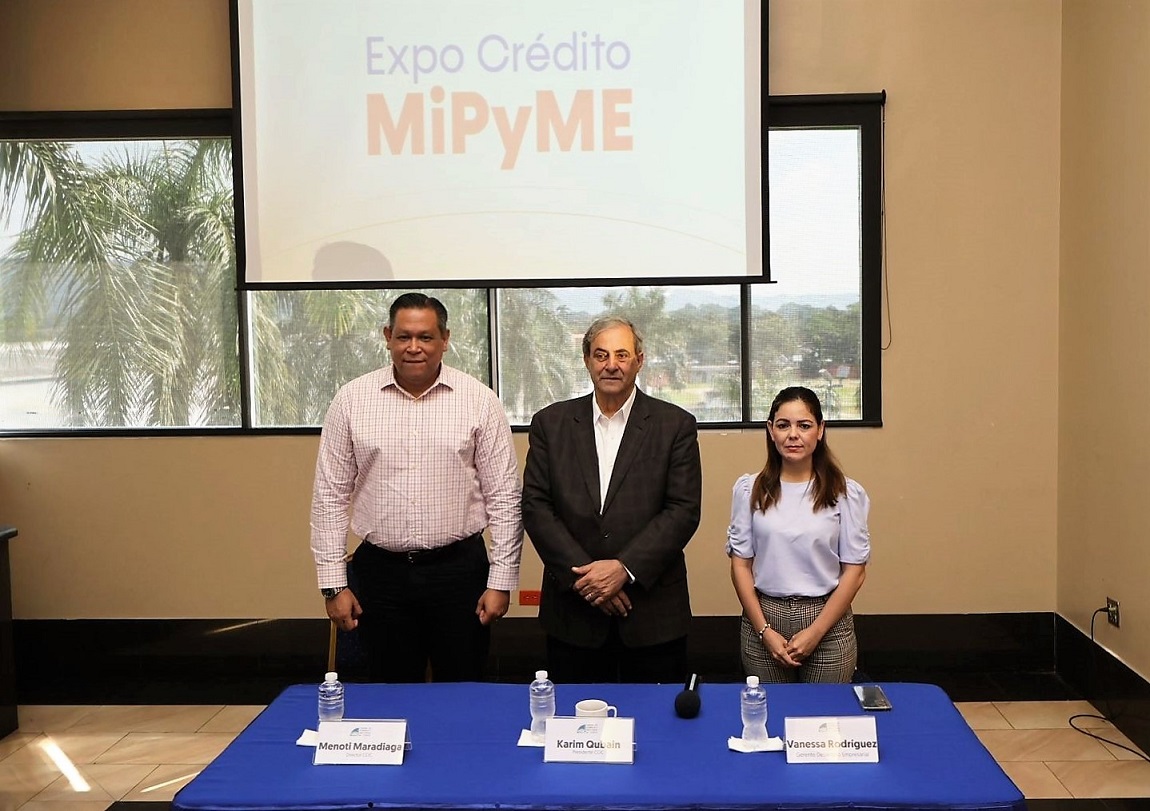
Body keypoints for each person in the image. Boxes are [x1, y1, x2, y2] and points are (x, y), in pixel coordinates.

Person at [310, 292, 523, 682]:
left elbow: (506, 498)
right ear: (387, 336)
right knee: (389, 695)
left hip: (460, 574)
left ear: (445, 339)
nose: (414, 347)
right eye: (404, 336)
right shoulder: (352, 400)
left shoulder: (479, 400)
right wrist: (333, 585)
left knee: (462, 692)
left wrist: (502, 581)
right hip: (381, 577)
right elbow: (329, 496)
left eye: (425, 337)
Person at [522, 316, 702, 683]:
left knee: (657, 716)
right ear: (587, 360)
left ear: (639, 360)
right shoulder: (550, 424)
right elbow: (536, 506)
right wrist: (588, 580)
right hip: (574, 613)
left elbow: (682, 510)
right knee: (573, 714)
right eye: (601, 355)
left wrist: (623, 569)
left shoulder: (674, 425)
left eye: (622, 355)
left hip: (652, 614)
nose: (611, 365)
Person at [727, 386, 870, 683]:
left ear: (820, 430)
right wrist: (764, 631)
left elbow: (855, 572)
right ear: (771, 430)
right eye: (783, 425)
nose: (793, 435)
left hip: (827, 620)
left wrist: (815, 632)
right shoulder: (749, 490)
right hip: (764, 618)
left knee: (823, 712)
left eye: (804, 425)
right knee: (769, 710)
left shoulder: (845, 492)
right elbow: (740, 565)